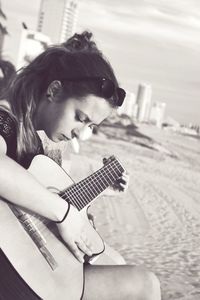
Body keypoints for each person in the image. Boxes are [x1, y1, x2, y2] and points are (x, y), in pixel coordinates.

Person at [0, 32, 161, 300]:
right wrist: (65, 215)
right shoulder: (6, 117)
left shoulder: (41, 141)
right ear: (53, 91)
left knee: (132, 273)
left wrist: (97, 188)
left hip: (29, 262)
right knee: (140, 283)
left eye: (90, 127)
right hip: (10, 268)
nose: (80, 133)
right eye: (80, 118)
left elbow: (38, 196)